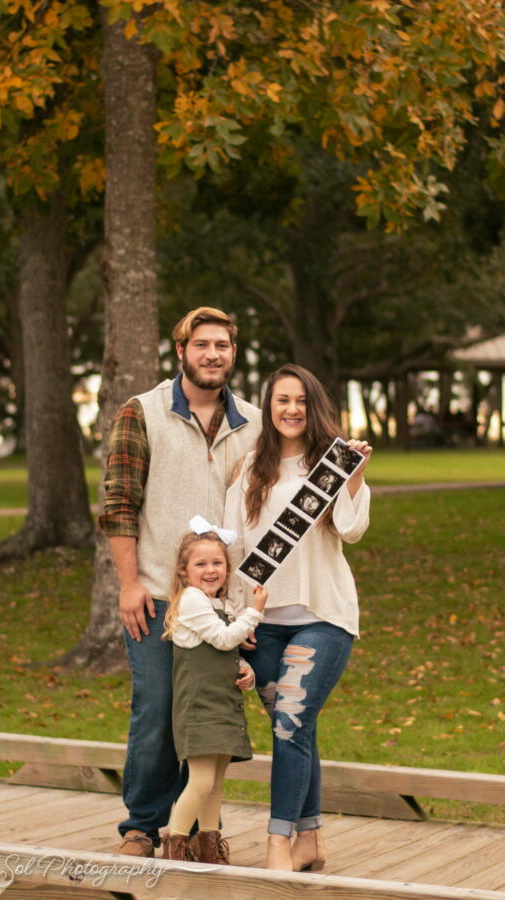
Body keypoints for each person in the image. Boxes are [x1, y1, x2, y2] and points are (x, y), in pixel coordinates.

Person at [99, 307, 262, 857]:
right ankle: (143, 828)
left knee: (208, 715)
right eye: (202, 344)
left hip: (223, 604)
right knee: (156, 708)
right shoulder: (141, 412)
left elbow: (267, 509)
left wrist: (244, 607)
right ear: (181, 351)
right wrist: (128, 583)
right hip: (156, 595)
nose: (212, 354)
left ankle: (193, 831)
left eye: (222, 345)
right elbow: (119, 504)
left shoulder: (254, 422)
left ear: (233, 353)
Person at [224, 363, 372, 872]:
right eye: (282, 400)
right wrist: (235, 619)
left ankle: (278, 844)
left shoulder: (332, 462)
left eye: (302, 401)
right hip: (261, 624)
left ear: (315, 407)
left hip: (322, 615)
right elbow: (233, 546)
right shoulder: (250, 469)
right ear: (268, 406)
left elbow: (351, 530)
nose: (292, 409)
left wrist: (354, 476)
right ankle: (310, 839)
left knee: (289, 723)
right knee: (295, 728)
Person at [160, 523, 268, 863]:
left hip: (221, 704)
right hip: (199, 707)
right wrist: (255, 611)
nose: (210, 570)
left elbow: (225, 649)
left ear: (227, 567)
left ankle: (208, 846)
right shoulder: (192, 599)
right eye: (201, 564)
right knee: (202, 782)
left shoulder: (217, 603)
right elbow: (223, 639)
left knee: (216, 783)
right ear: (184, 571)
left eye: (217, 563)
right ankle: (175, 847)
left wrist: (245, 669)